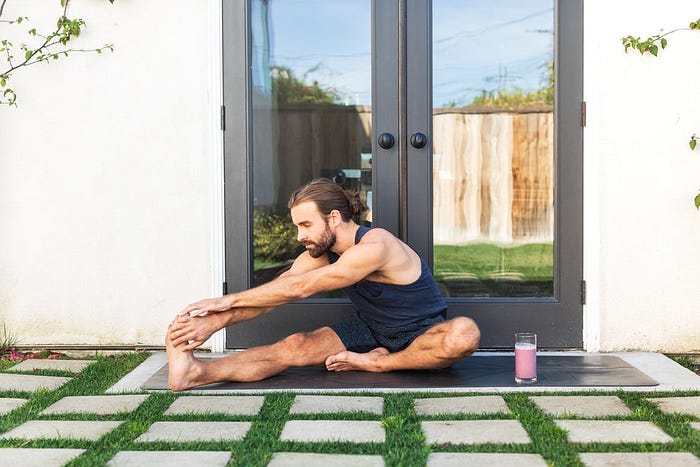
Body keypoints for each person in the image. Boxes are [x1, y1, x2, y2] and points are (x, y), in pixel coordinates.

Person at [166, 178, 480, 391]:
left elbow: (302, 288)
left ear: (332, 218)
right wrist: (213, 322)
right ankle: (196, 373)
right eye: (297, 226)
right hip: (371, 329)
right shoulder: (322, 254)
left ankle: (380, 363)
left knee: (463, 333)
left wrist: (226, 301)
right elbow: (279, 293)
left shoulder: (377, 245)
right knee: (295, 346)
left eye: (305, 225)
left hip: (422, 332)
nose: (300, 235)